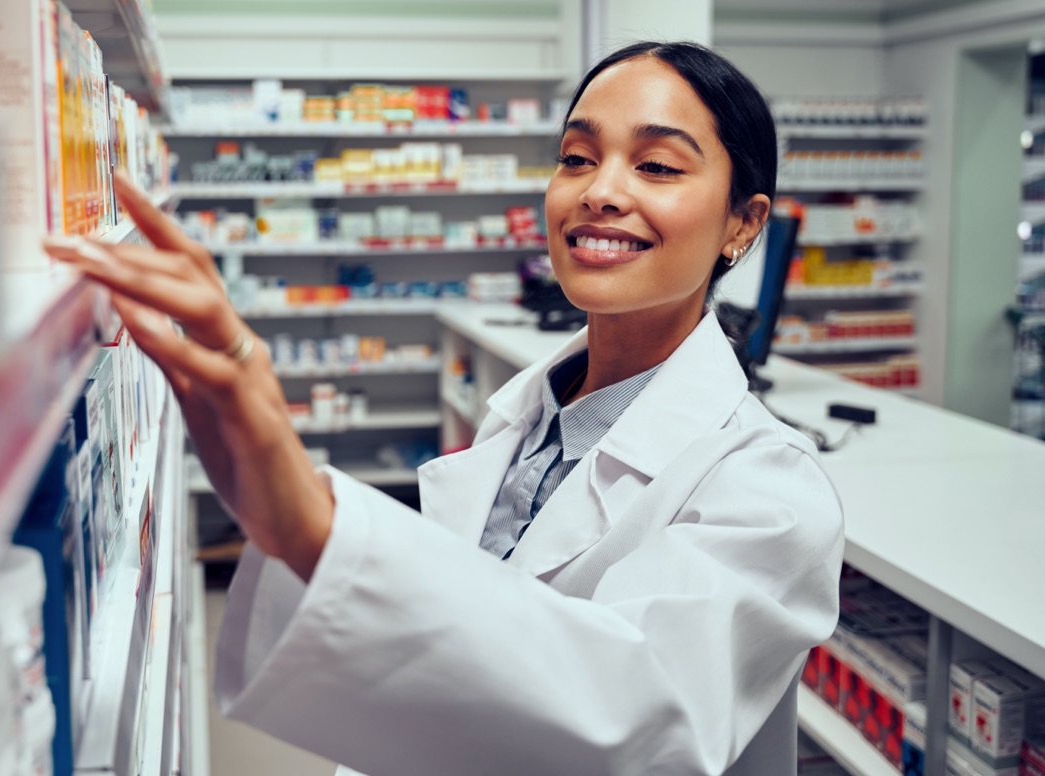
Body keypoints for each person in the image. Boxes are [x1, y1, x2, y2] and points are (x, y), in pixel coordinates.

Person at [45, 40, 844, 776]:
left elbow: (637, 717)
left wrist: (312, 526)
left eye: (658, 167)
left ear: (743, 223)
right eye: (576, 157)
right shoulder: (525, 420)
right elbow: (449, 667)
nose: (600, 191)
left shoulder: (767, 490)